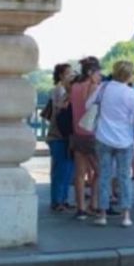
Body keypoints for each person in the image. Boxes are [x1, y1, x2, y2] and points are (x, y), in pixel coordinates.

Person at [91, 60, 134, 228]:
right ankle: (126, 215)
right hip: (124, 140)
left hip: (103, 137)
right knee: (124, 177)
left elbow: (89, 105)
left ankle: (102, 214)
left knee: (104, 176)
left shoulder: (103, 88)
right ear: (129, 75)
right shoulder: (131, 93)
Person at [69, 56, 102, 220]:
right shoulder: (95, 87)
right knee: (100, 171)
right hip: (91, 133)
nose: (100, 76)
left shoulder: (74, 87)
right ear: (91, 73)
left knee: (80, 173)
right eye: (98, 72)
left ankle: (80, 207)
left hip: (77, 132)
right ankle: (93, 204)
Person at [45, 63, 75, 212]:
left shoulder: (67, 90)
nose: (72, 76)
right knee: (60, 168)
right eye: (69, 73)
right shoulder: (58, 90)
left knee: (68, 168)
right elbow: (59, 109)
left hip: (65, 135)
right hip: (57, 135)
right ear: (62, 75)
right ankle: (57, 200)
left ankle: (63, 198)